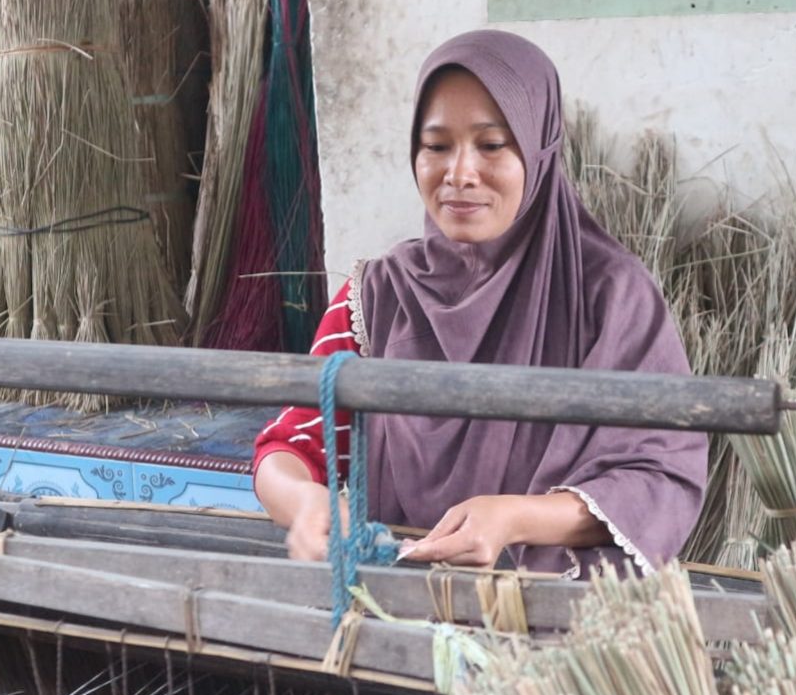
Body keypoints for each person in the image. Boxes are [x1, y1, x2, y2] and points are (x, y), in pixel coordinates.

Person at [252, 30, 707, 578]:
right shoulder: (378, 296)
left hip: (557, 627)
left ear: (539, 152)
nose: (459, 173)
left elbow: (659, 476)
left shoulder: (609, 297)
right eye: (436, 146)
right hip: (402, 614)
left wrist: (515, 518)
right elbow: (288, 446)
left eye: (492, 145)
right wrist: (306, 503)